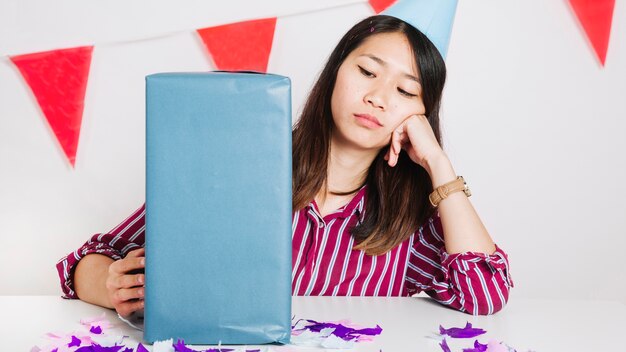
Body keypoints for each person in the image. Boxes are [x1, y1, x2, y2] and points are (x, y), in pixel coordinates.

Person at [56, 15, 513, 318]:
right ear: (336, 73)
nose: (378, 97)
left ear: (420, 115)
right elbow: (79, 265)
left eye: (405, 91)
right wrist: (109, 283)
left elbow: (486, 293)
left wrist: (437, 163)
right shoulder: (232, 170)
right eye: (368, 72)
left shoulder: (412, 220)